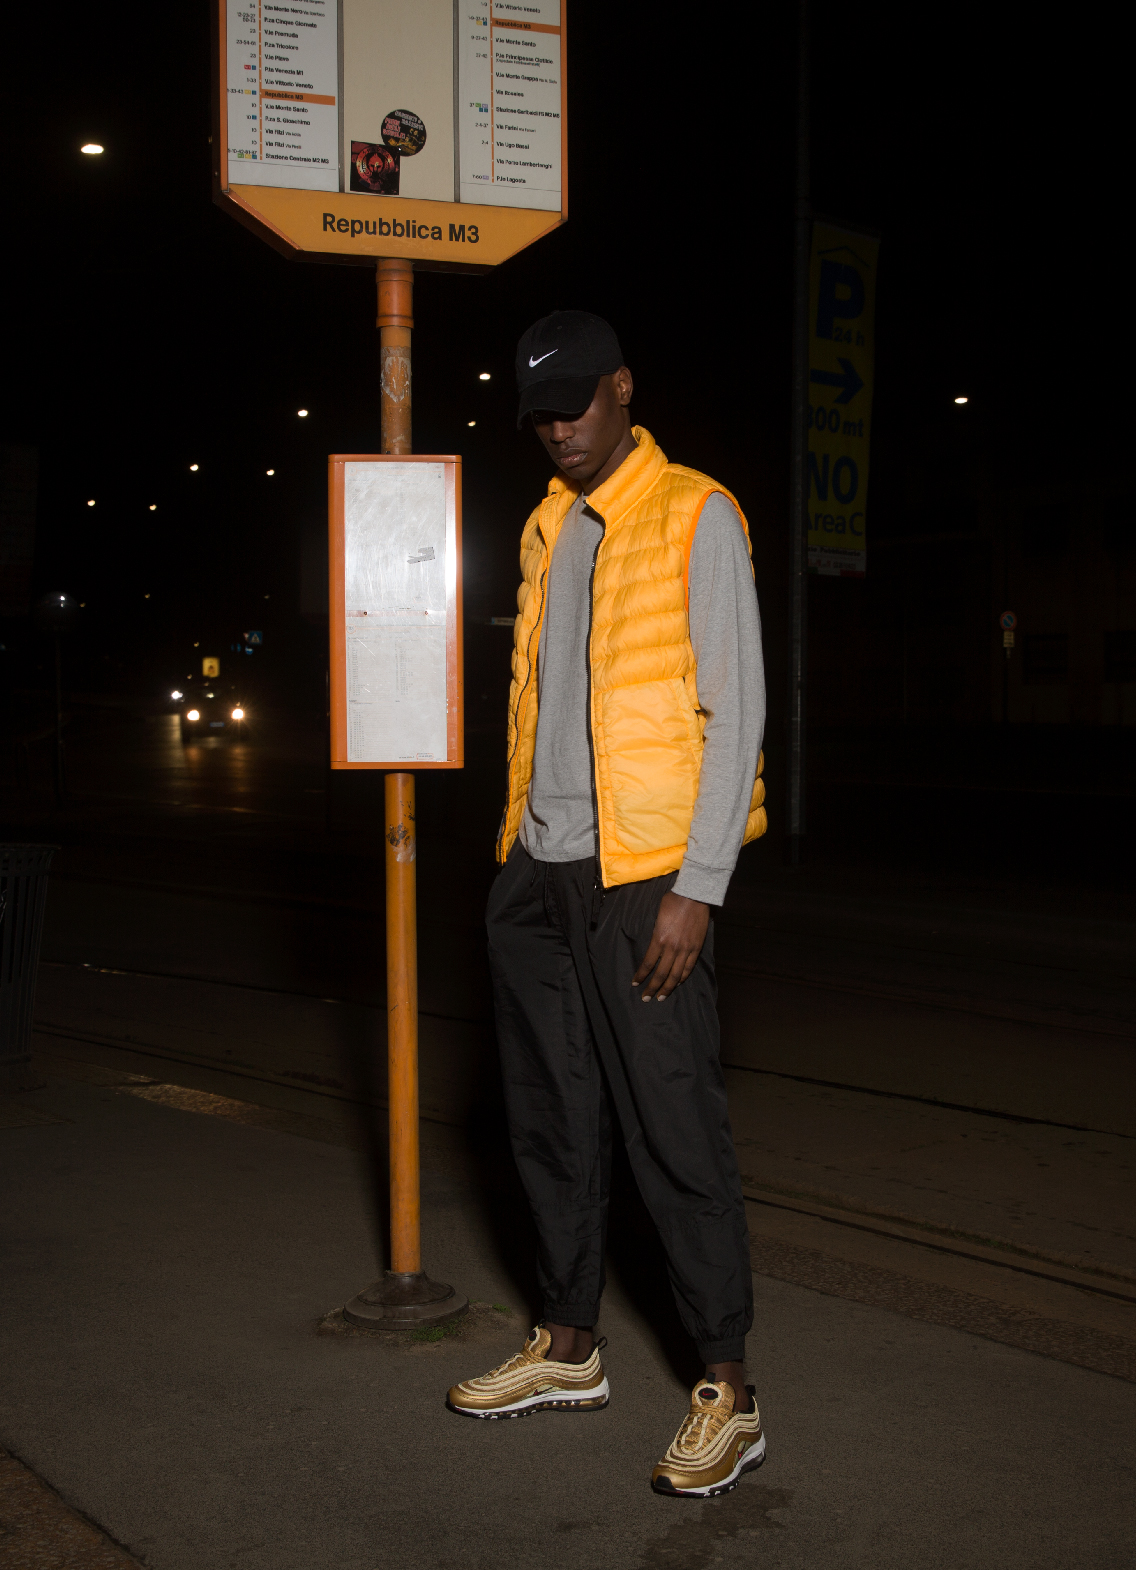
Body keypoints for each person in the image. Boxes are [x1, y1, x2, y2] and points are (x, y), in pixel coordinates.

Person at [446, 310, 768, 1498]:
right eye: (538, 412)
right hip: (538, 870)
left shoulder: (695, 511)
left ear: (623, 387)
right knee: (548, 1118)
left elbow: (737, 709)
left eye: (573, 402)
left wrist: (697, 886)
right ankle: (568, 1343)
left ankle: (728, 1389)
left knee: (672, 1126)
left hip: (645, 879)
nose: (557, 429)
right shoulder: (546, 525)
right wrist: (516, 853)